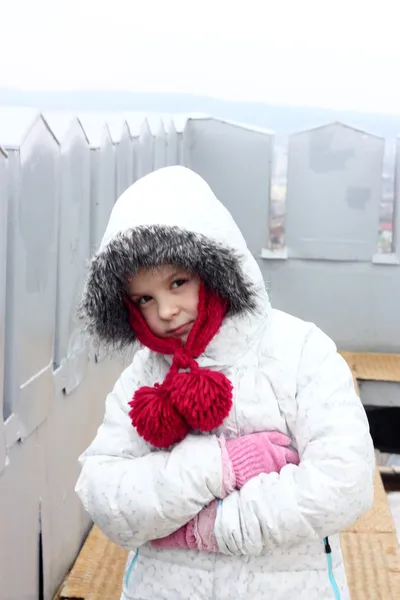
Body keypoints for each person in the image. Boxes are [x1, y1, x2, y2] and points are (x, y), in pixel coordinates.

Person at [75, 166, 375, 600]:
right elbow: (105, 494)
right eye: (145, 299)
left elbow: (343, 482)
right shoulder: (144, 376)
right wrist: (221, 466)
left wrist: (213, 529)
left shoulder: (300, 351)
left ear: (213, 268)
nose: (166, 311)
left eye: (178, 283)